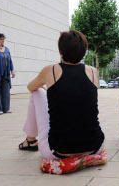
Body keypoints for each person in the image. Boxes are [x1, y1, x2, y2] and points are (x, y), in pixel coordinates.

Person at [18, 30, 105, 160]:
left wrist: (47, 88)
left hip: (57, 151)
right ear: (83, 52)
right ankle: (30, 139)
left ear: (60, 52)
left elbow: (30, 87)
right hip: (96, 147)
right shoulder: (92, 71)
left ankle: (30, 140)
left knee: (37, 92)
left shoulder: (50, 70)